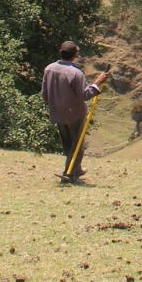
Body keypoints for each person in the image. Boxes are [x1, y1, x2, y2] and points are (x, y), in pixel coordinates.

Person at [41, 40, 109, 182]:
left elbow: (44, 93)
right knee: (77, 145)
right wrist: (98, 82)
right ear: (75, 55)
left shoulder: (49, 68)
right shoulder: (75, 73)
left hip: (57, 112)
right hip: (74, 113)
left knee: (68, 143)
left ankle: (75, 168)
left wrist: (52, 105)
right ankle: (70, 174)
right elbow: (86, 95)